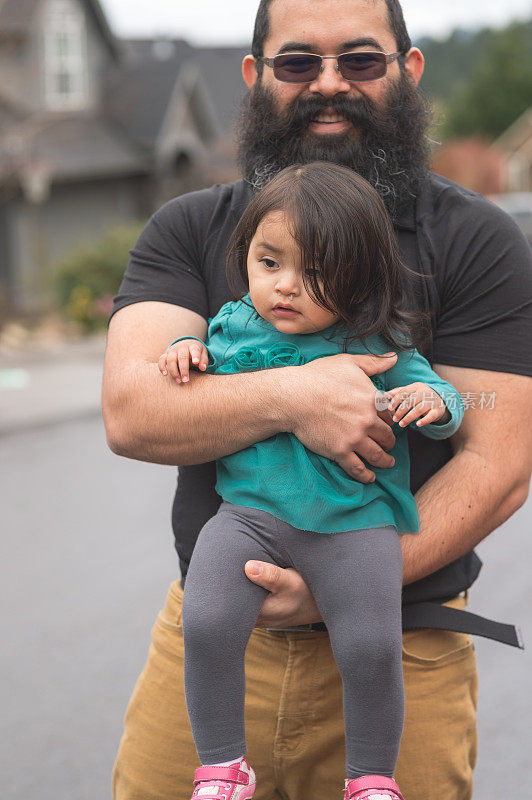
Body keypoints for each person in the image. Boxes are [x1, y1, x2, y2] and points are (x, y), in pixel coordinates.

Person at [102, 1, 532, 799]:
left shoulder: (477, 241)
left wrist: (343, 583)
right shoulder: (193, 229)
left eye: (360, 61)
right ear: (254, 77)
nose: (328, 84)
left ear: (408, 70)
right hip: (218, 643)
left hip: (403, 645)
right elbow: (134, 411)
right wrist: (297, 396)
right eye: (298, 62)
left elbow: (501, 456)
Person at [157, 163, 464, 800]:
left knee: (371, 648)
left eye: (316, 271)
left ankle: (372, 777)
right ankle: (222, 765)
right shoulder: (236, 327)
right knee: (208, 621)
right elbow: (203, 369)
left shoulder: (376, 342)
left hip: (356, 525)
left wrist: (433, 403)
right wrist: (184, 349)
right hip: (247, 521)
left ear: (359, 278)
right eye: (269, 263)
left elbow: (442, 395)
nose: (286, 287)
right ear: (246, 258)